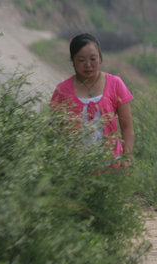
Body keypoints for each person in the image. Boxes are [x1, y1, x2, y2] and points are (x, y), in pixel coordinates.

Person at [50, 33, 134, 169]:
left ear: (100, 58)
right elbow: (55, 130)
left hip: (112, 166)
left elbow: (127, 127)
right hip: (75, 168)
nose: (88, 65)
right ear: (73, 62)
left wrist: (127, 159)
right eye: (81, 60)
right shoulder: (62, 91)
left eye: (93, 59)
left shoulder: (115, 84)